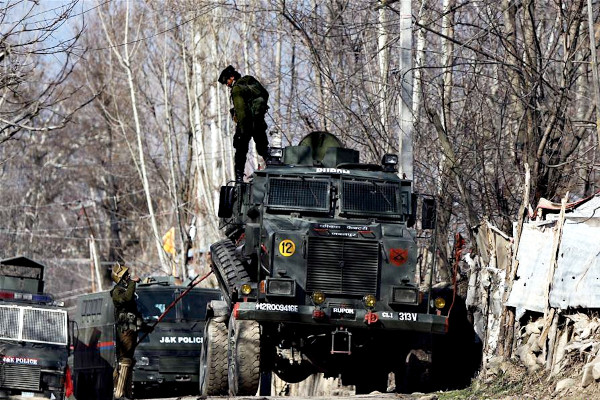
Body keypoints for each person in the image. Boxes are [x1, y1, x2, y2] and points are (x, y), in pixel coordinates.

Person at [218, 65, 270, 182]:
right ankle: (274, 171)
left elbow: (241, 111)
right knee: (263, 150)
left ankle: (239, 178)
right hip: (258, 123)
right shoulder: (249, 83)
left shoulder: (236, 89)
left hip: (246, 125)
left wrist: (241, 130)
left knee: (240, 152)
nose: (227, 84)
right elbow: (265, 94)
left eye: (227, 80)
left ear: (232, 77)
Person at [110, 263, 142, 400]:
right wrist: (133, 283)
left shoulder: (126, 289)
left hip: (131, 331)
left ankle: (127, 393)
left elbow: (134, 311)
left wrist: (144, 325)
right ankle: (118, 393)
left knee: (129, 361)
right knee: (124, 361)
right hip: (124, 331)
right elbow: (127, 298)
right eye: (126, 275)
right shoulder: (117, 292)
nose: (129, 276)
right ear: (121, 278)